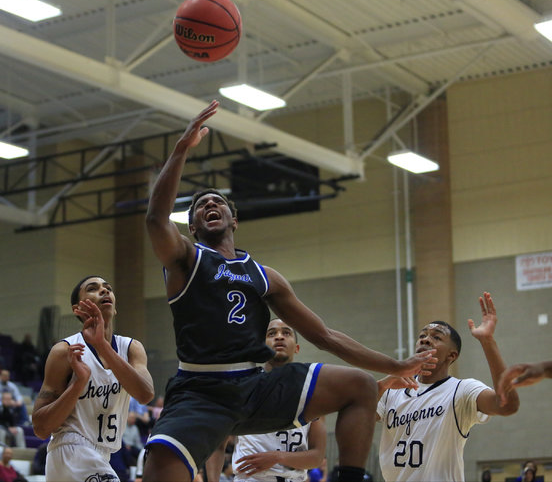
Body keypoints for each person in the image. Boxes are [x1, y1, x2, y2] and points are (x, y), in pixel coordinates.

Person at [143, 100, 437, 482]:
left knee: (360, 385)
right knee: (157, 473)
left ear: (235, 219)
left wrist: (394, 366)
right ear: (194, 227)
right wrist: (181, 149)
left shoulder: (265, 277)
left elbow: (324, 336)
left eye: (218, 202)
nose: (209, 204)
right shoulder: (185, 258)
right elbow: (155, 218)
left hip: (256, 384)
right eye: (200, 205)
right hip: (200, 389)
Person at [375, 292, 520, 482]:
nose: (425, 339)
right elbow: (362, 419)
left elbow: (507, 405)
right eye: (422, 336)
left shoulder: (462, 391)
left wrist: (487, 342)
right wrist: (381, 386)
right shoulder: (393, 389)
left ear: (451, 356)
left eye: (436, 337)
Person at [31, 275, 154, 482]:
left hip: (102, 455)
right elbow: (41, 427)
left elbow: (145, 394)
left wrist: (102, 346)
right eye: (93, 288)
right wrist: (79, 383)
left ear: (114, 308)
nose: (104, 291)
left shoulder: (131, 348)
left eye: (108, 288)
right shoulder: (65, 351)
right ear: (77, 308)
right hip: (70, 449)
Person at [230, 319, 326, 482]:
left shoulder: (313, 391)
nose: (279, 337)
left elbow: (317, 457)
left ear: (296, 348)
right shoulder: (244, 385)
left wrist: (277, 457)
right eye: (271, 333)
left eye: (286, 333)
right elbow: (218, 445)